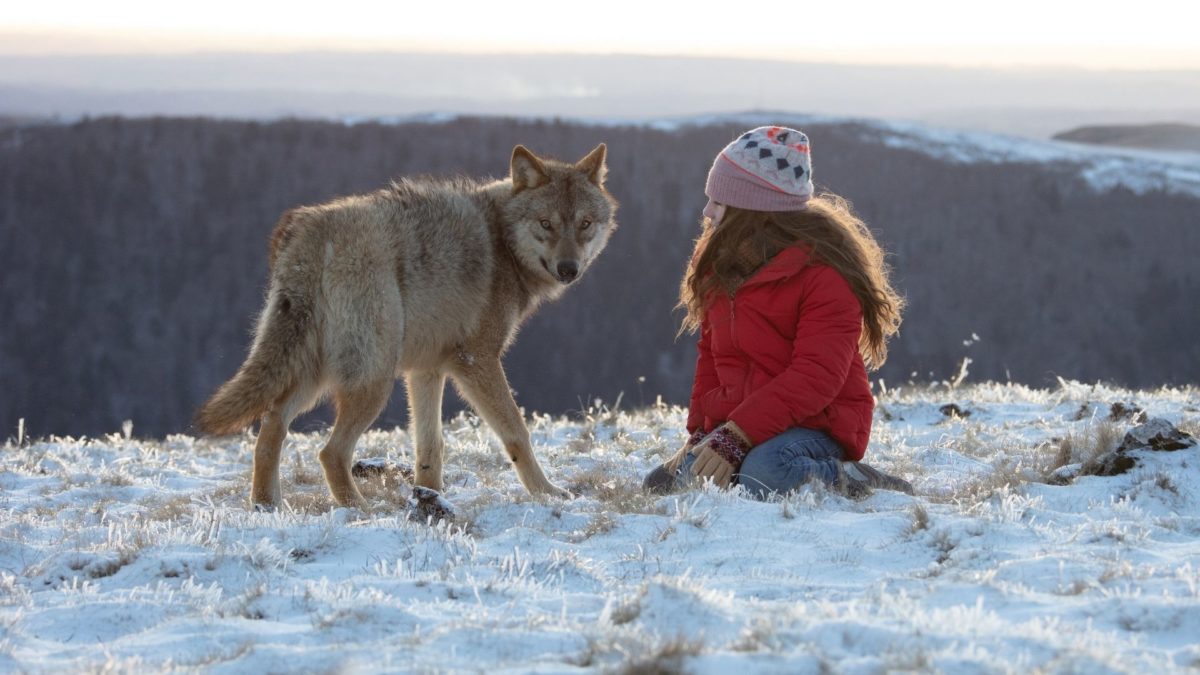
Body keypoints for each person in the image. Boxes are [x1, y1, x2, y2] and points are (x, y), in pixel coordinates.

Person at [644, 126, 913, 498]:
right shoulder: (720, 267)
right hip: (745, 424)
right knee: (667, 484)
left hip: (817, 425)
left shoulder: (823, 274)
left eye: (718, 202)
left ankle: (854, 477)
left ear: (752, 211)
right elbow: (711, 358)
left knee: (764, 474)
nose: (706, 211)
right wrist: (701, 434)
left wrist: (737, 434)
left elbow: (816, 376)